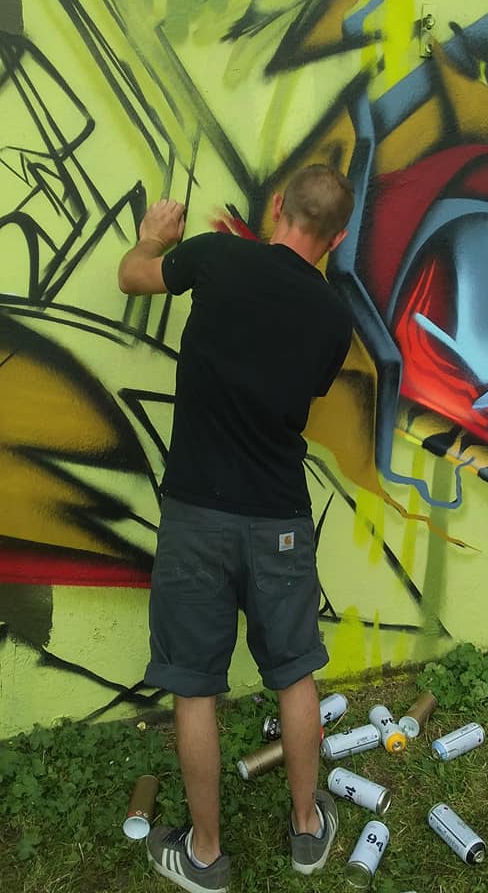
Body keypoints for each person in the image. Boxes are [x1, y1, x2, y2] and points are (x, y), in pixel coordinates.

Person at [117, 164, 355, 893]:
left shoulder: (215, 257)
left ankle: (205, 855)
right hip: (280, 518)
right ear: (337, 238)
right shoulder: (333, 318)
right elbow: (304, 388)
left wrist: (152, 238)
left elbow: (132, 277)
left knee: (195, 688)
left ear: (278, 206)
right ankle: (308, 829)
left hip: (197, 515)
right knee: (295, 672)